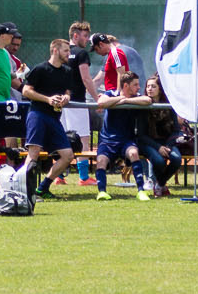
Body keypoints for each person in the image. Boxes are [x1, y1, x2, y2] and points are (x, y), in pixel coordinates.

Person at [20, 37, 82, 197]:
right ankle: (25, 191)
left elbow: (68, 92)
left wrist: (66, 98)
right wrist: (48, 99)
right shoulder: (40, 69)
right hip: (38, 115)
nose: (69, 54)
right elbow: (26, 91)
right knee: (33, 154)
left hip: (54, 118)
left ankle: (42, 188)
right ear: (55, 50)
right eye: (66, 50)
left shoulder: (68, 71)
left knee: (68, 156)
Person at [93, 68, 154, 201]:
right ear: (125, 85)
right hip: (107, 141)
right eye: (135, 85)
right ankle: (102, 192)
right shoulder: (110, 93)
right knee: (101, 161)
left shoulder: (136, 97)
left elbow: (148, 100)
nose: (139, 87)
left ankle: (141, 191)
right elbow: (101, 102)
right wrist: (120, 98)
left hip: (126, 141)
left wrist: (126, 101)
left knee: (133, 153)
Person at [136, 74, 187, 196]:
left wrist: (168, 146)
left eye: (153, 86)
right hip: (147, 142)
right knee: (159, 161)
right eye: (148, 86)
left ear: (160, 89)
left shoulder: (169, 105)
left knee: (176, 159)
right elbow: (141, 135)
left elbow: (176, 130)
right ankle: (160, 185)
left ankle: (160, 183)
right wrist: (158, 148)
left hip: (166, 142)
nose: (149, 89)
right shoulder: (143, 107)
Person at [64, 20, 94, 154]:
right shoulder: (81, 53)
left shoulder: (60, 52)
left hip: (60, 102)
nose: (87, 40)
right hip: (77, 102)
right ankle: (83, 175)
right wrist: (97, 99)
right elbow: (86, 78)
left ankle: (59, 175)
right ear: (75, 36)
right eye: (85, 36)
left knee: (62, 139)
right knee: (83, 139)